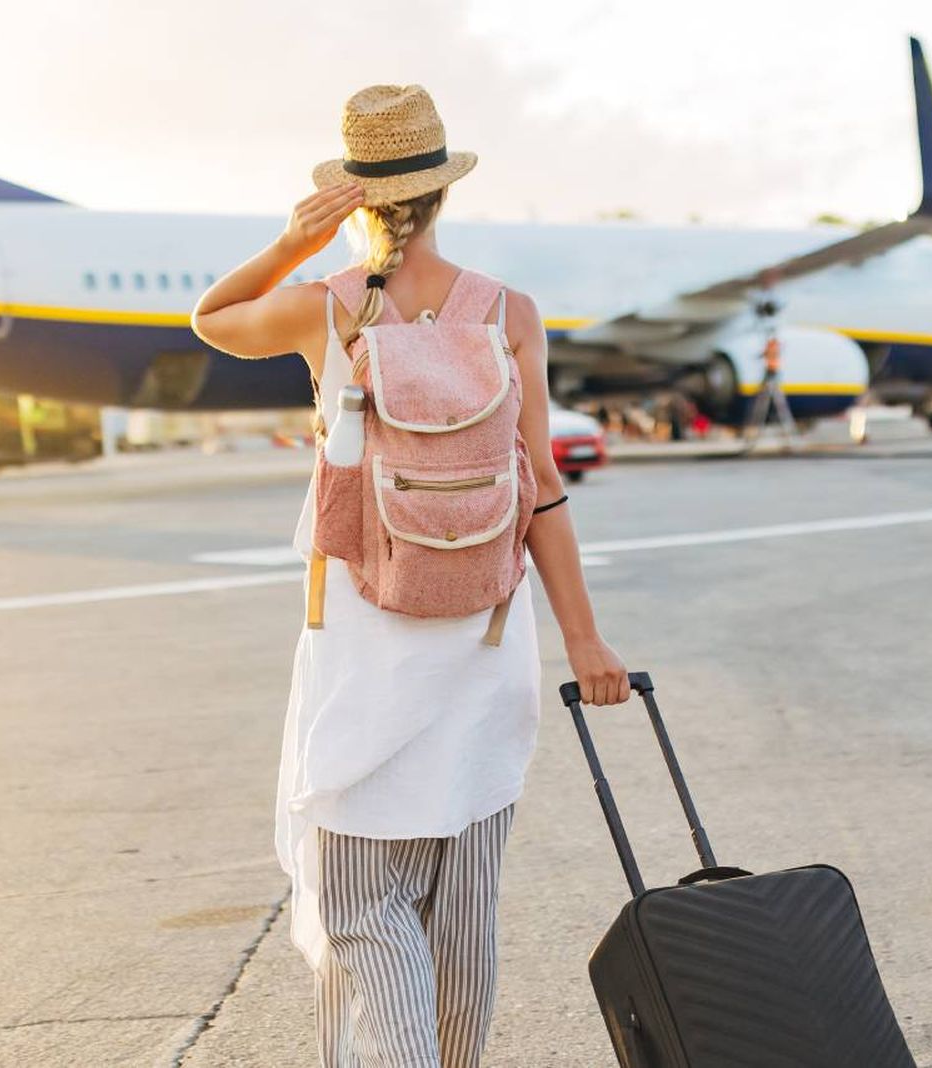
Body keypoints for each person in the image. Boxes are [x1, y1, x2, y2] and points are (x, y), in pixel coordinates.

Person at [192, 84, 630, 1067]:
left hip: (364, 648)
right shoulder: (509, 313)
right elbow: (541, 483)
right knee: (463, 908)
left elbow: (211, 317)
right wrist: (585, 641)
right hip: (486, 645)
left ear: (354, 196)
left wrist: (294, 243)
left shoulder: (326, 308)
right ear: (442, 192)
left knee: (360, 905)